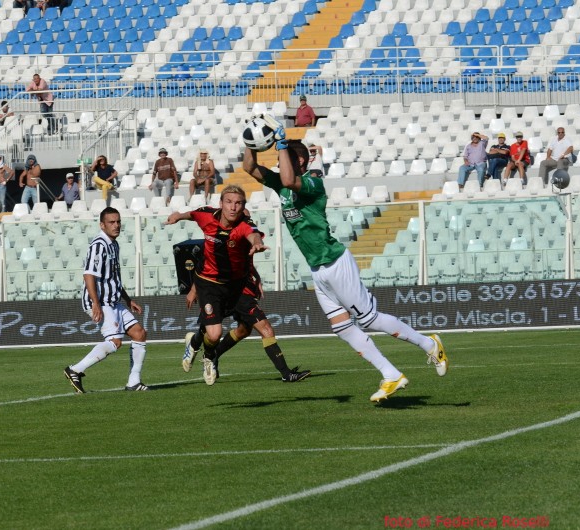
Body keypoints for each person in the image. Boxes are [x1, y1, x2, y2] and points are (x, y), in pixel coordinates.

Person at [243, 130, 448, 402]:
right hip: (318, 269)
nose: (279, 164)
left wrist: (281, 142)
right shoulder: (281, 184)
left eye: (283, 159)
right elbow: (248, 166)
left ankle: (429, 344)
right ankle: (390, 374)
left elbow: (290, 179)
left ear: (300, 161)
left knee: (370, 319)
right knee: (342, 328)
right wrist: (250, 139)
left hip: (335, 262)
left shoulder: (312, 183)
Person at [163, 185, 302, 385]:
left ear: (243, 206)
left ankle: (201, 348)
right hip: (208, 283)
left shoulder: (244, 225)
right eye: (229, 202)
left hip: (235, 285)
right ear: (221, 204)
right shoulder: (207, 216)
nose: (234, 208)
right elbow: (192, 214)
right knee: (215, 332)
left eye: (238, 203)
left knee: (238, 329)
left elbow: (252, 234)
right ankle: (209, 355)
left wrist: (257, 244)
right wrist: (177, 216)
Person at [63, 207, 149, 393]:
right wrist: (96, 303)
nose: (116, 225)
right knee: (114, 342)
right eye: (111, 222)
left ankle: (134, 382)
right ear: (102, 225)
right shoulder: (99, 245)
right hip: (100, 301)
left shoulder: (113, 244)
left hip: (113, 301)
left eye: (118, 221)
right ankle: (75, 369)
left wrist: (127, 299)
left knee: (139, 333)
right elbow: (88, 275)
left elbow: (113, 277)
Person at [179, 267, 311, 384]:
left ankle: (286, 374)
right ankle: (196, 344)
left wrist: (257, 278)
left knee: (247, 330)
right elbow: (205, 266)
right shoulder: (221, 243)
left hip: (243, 292)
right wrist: (193, 289)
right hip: (221, 290)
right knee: (210, 331)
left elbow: (246, 261)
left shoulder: (244, 243)